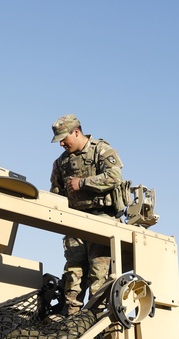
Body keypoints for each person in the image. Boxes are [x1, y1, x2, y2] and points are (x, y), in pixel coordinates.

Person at [49, 114, 124, 313]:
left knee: (98, 276)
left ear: (76, 132)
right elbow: (55, 193)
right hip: (75, 223)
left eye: (64, 138)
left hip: (101, 220)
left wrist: (82, 183)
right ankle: (72, 322)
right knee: (73, 274)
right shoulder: (60, 163)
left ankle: (98, 322)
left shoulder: (101, 150)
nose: (62, 144)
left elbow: (114, 177)